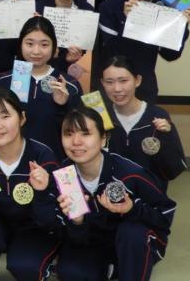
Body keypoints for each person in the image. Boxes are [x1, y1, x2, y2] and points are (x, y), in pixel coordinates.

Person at [55, 105, 176, 281]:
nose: (76, 142)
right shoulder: (65, 175)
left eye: (86, 134)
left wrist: (132, 209)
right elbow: (74, 236)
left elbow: (165, 215)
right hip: (95, 241)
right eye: (68, 134)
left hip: (132, 240)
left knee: (132, 233)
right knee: (70, 272)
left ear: (103, 138)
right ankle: (112, 268)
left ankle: (127, 268)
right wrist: (78, 222)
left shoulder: (129, 173)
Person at [0, 87, 61, 281]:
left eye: (5, 116)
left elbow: (52, 219)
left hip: (33, 228)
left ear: (22, 118)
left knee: (25, 266)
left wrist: (41, 193)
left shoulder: (42, 156)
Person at [0, 17, 82, 158]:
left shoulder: (70, 85)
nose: (36, 51)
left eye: (44, 45)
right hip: (11, 160)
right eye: (29, 43)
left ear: (54, 47)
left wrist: (62, 105)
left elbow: (78, 130)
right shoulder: (3, 81)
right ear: (20, 44)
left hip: (53, 162)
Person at [101, 56, 187, 187]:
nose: (117, 88)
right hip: (110, 194)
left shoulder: (158, 116)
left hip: (149, 194)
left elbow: (174, 170)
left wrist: (167, 136)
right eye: (109, 82)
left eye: (123, 81)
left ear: (137, 80)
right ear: (102, 83)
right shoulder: (100, 116)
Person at [35, 0, 94, 73]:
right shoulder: (37, 10)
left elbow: (87, 53)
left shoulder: (87, 11)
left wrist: (69, 60)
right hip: (37, 71)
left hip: (71, 74)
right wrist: (47, 53)